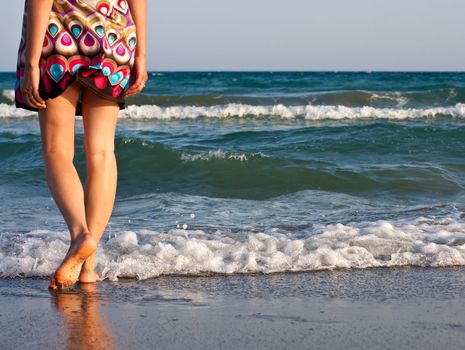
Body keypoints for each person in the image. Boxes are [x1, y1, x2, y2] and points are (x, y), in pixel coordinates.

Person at [14, 0, 148, 289]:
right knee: (102, 152)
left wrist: (34, 61)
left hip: (60, 37)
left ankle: (80, 235)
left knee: (57, 149)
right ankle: (88, 268)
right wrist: (141, 54)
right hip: (115, 37)